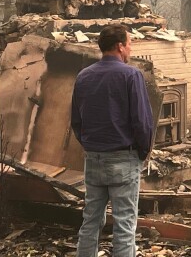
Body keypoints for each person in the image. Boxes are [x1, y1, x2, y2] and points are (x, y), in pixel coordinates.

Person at [71, 24, 155, 257]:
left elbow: (76, 121)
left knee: (90, 221)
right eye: (129, 43)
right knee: (125, 226)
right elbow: (142, 122)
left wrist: (92, 146)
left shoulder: (84, 76)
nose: (131, 48)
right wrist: (142, 152)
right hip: (123, 159)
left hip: (93, 159)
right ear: (119, 46)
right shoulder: (131, 75)